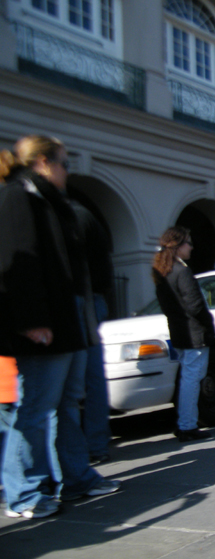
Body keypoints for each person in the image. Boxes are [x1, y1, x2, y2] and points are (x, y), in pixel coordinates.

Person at [0, 136, 120, 519]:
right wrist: (33, 321)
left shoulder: (50, 202)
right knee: (34, 408)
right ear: (43, 163)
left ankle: (76, 476)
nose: (67, 171)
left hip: (68, 320)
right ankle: (24, 493)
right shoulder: (18, 197)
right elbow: (20, 261)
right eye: (64, 163)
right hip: (45, 324)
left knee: (67, 403)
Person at [152, 226, 215, 442]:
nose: (191, 247)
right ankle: (187, 426)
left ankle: (184, 423)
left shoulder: (163, 273)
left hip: (179, 332)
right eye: (188, 243)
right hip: (194, 333)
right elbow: (196, 306)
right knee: (192, 379)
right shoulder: (182, 271)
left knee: (186, 378)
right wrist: (209, 324)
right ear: (178, 246)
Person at [70, 200, 115, 463]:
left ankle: (92, 445)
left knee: (79, 380)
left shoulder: (72, 216)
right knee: (90, 377)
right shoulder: (81, 214)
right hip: (90, 298)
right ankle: (95, 443)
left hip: (83, 299)